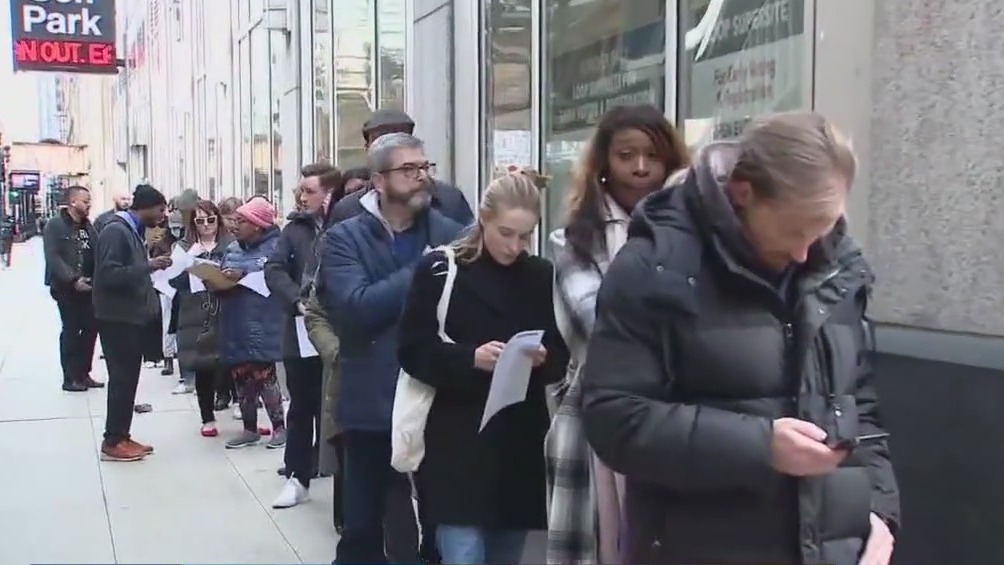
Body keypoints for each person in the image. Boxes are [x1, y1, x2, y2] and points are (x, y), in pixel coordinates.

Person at [579, 111, 900, 565]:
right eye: (793, 231)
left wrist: (881, 515)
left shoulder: (837, 267)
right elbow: (616, 419)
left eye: (822, 231)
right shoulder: (654, 268)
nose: (804, 252)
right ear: (743, 194)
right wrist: (759, 444)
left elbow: (861, 406)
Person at [398, 171, 569, 564]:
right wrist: (469, 357)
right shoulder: (441, 270)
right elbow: (411, 350)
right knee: (463, 552)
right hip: (457, 440)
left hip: (518, 439)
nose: (515, 246)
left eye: (525, 236)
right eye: (506, 233)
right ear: (483, 219)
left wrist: (542, 358)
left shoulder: (541, 275)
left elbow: (561, 353)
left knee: (506, 553)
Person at [544, 104, 690, 564]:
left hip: (683, 410)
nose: (641, 167)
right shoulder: (574, 240)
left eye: (653, 155)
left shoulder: (701, 231)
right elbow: (600, 321)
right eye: (627, 155)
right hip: (598, 415)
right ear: (605, 162)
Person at [319, 132, 466, 564]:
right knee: (363, 524)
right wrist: (429, 265)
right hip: (372, 400)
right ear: (378, 181)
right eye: (409, 169)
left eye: (425, 168)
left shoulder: (449, 229)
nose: (422, 177)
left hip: (436, 394)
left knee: (438, 521)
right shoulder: (346, 237)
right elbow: (356, 309)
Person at [265, 162, 343, 508]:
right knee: (302, 406)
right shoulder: (294, 230)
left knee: (341, 407)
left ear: (330, 194)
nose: (301, 196)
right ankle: (297, 475)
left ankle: (337, 473)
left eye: (309, 190)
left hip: (341, 332)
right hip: (301, 329)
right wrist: (296, 299)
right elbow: (274, 267)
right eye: (301, 190)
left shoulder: (347, 225)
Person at [93, 184, 171, 462]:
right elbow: (110, 274)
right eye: (160, 210)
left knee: (128, 378)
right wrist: (150, 265)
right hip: (117, 317)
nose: (162, 217)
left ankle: (122, 435)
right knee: (122, 379)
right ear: (146, 207)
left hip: (128, 316)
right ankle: (113, 440)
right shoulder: (116, 231)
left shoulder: (130, 231)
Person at [217, 197, 288, 449]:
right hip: (234, 320)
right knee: (241, 376)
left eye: (242, 221)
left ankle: (279, 427)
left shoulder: (276, 247)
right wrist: (215, 281)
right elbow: (223, 273)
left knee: (264, 375)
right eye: (234, 220)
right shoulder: (233, 249)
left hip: (263, 320)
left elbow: (277, 279)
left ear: (257, 225)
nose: (235, 226)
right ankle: (249, 428)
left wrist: (244, 275)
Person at [327, 109, 474, 227]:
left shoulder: (449, 200)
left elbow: (468, 254)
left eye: (400, 143)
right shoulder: (348, 209)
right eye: (380, 144)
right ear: (367, 150)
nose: (390, 151)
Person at [169, 200, 233, 436]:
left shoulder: (230, 245)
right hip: (195, 310)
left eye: (211, 220)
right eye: (200, 221)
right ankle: (207, 417)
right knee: (203, 363)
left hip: (225, 307)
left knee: (231, 360)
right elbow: (172, 281)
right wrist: (188, 261)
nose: (206, 226)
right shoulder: (183, 247)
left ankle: (235, 401)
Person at [42, 186, 104, 392]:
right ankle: (70, 378)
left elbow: (97, 253)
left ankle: (84, 373)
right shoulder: (55, 225)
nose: (89, 204)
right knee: (71, 330)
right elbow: (54, 258)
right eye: (85, 201)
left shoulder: (88, 227)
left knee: (90, 329)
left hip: (90, 287)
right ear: (72, 202)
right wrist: (73, 279)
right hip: (66, 288)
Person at [214, 195, 245, 411]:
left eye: (237, 219)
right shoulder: (225, 243)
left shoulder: (242, 242)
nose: (233, 224)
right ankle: (223, 392)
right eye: (229, 219)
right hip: (221, 302)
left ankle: (238, 395)